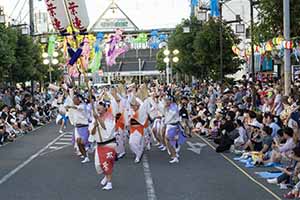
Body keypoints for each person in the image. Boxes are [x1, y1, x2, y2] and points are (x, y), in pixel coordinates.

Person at [90, 101, 117, 191]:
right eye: (97, 108)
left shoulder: (110, 117)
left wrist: (97, 118)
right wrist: (94, 125)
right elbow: (92, 132)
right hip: (99, 145)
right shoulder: (95, 118)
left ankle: (109, 183)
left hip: (108, 144)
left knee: (106, 164)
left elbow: (106, 127)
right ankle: (106, 175)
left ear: (105, 108)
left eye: (100, 107)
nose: (98, 109)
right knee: (98, 165)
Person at [67, 94, 90, 164]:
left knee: (83, 143)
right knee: (79, 143)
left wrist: (70, 106)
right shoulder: (74, 107)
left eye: (75, 100)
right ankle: (86, 156)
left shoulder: (83, 106)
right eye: (73, 100)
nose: (73, 101)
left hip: (84, 127)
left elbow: (77, 108)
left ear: (78, 100)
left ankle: (87, 151)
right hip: (77, 128)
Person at [164, 95, 186, 163]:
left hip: (173, 125)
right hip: (169, 125)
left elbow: (172, 115)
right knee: (168, 140)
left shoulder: (174, 106)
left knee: (169, 140)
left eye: (167, 100)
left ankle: (175, 155)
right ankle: (174, 154)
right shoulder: (168, 106)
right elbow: (165, 114)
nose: (166, 101)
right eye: (166, 100)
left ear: (171, 100)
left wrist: (167, 108)